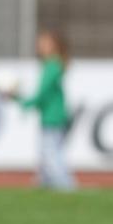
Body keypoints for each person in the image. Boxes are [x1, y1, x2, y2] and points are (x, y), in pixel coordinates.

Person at [15, 30, 76, 191]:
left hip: (54, 118)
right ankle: (44, 184)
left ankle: (67, 187)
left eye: (44, 43)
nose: (40, 46)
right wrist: (19, 100)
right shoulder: (50, 65)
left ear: (54, 45)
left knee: (52, 155)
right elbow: (42, 96)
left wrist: (22, 102)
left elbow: (42, 94)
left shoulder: (53, 66)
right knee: (46, 154)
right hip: (50, 117)